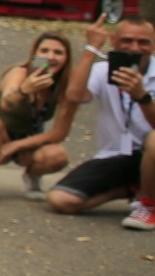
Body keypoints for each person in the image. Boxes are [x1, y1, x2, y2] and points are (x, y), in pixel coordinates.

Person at [47, 16, 155, 229]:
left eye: (143, 42)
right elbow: (75, 95)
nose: (135, 48)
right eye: (127, 40)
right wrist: (91, 48)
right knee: (61, 199)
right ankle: (132, 188)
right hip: (117, 155)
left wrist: (142, 97)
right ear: (113, 41)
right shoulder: (102, 70)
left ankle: (149, 206)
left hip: (151, 156)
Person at [0, 32, 75, 203]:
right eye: (44, 51)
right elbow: (6, 103)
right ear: (34, 54)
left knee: (58, 156)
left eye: (58, 52)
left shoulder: (65, 86)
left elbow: (59, 133)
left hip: (28, 140)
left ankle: (32, 176)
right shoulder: (19, 73)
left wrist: (15, 146)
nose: (50, 57)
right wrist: (24, 90)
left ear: (67, 58)